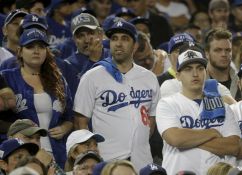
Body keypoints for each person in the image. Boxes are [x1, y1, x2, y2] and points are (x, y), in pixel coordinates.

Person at [74, 20, 160, 171]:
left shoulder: (149, 78)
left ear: (135, 46)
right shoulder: (92, 76)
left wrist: (139, 141)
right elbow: (81, 121)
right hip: (107, 159)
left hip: (142, 159)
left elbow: (152, 118)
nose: (118, 43)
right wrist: (91, 154)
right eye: (114, 39)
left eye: (125, 39)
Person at [156, 49, 240, 174]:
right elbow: (175, 138)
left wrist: (189, 140)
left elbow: (233, 146)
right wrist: (213, 132)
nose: (195, 74)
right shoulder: (167, 104)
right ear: (178, 76)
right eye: (188, 69)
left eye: (200, 68)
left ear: (206, 73)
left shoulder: (222, 106)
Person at [1, 28, 73, 168]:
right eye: (30, 46)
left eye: (41, 46)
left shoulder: (58, 79)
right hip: (20, 155)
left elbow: (69, 116)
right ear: (20, 51)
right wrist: (15, 132)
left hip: (56, 154)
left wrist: (64, 127)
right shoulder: (6, 77)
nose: (36, 50)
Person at [63, 12, 105, 98]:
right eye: (81, 36)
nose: (86, 40)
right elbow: (78, 97)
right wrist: (93, 60)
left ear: (100, 34)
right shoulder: (67, 65)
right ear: (74, 39)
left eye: (90, 33)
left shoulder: (113, 57)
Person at [205, 28, 240, 100]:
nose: (224, 54)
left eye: (228, 50)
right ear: (207, 53)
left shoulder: (241, 81)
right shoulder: (197, 81)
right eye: (218, 50)